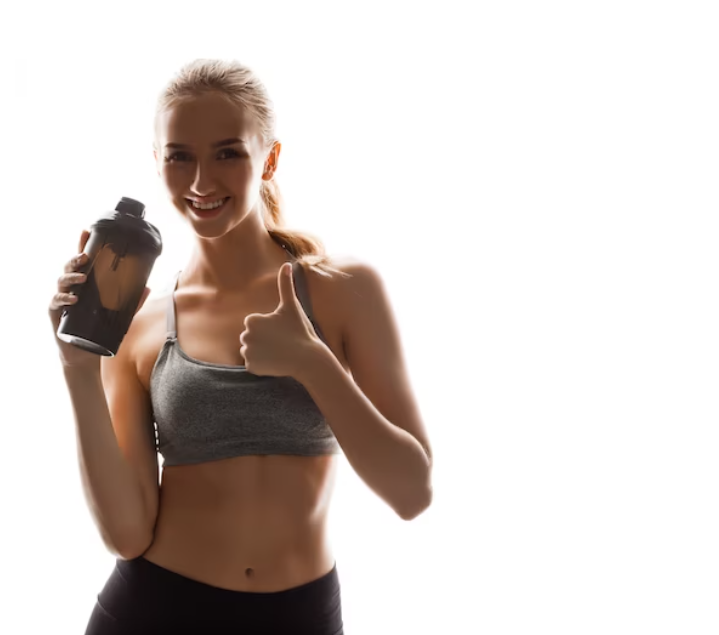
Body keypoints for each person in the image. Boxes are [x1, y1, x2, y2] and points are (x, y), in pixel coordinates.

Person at [48, 58, 433, 635]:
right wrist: (78, 368)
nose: (202, 181)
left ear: (269, 159)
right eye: (180, 156)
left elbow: (412, 493)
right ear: (158, 163)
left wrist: (312, 363)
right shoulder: (145, 327)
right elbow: (127, 535)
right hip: (155, 611)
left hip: (298, 618)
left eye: (228, 153)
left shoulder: (344, 291)